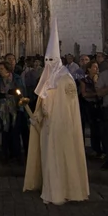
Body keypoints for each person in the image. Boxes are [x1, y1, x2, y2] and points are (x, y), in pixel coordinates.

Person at [23, 19, 89, 205]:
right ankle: (50, 187)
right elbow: (43, 102)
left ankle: (62, 190)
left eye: (52, 60)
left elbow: (68, 107)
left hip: (61, 127)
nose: (48, 63)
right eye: (46, 60)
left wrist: (54, 116)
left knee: (60, 157)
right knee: (48, 158)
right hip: (47, 126)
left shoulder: (66, 79)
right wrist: (37, 115)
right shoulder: (47, 78)